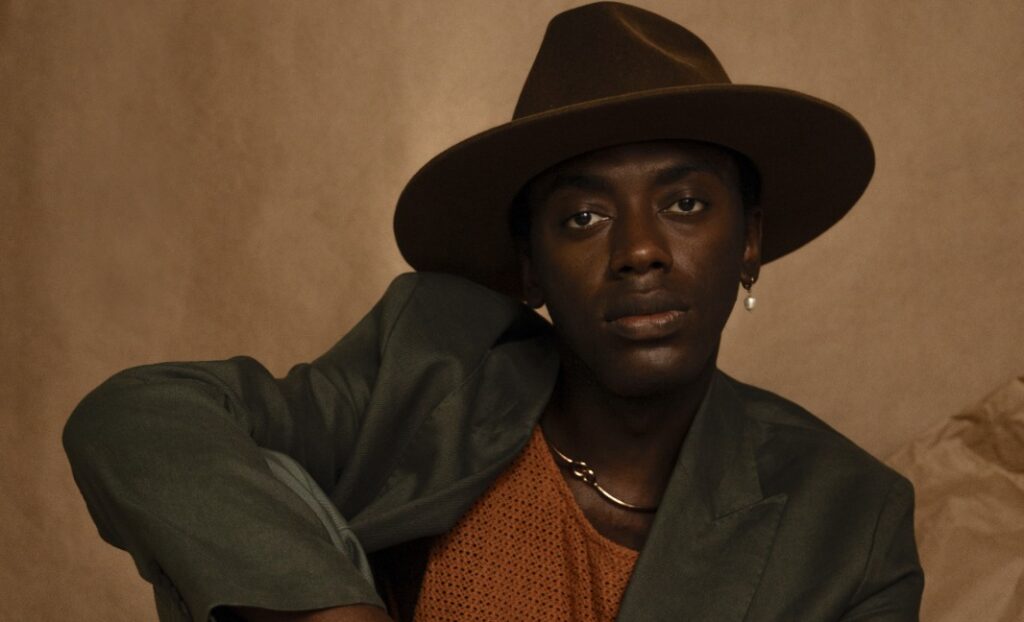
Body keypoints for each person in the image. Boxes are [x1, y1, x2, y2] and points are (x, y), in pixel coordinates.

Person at [64, 3, 924, 621]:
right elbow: (139, 418)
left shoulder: (852, 522)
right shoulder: (434, 365)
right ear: (530, 266)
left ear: (749, 241)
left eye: (686, 204)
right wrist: (325, 609)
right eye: (583, 217)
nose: (639, 250)